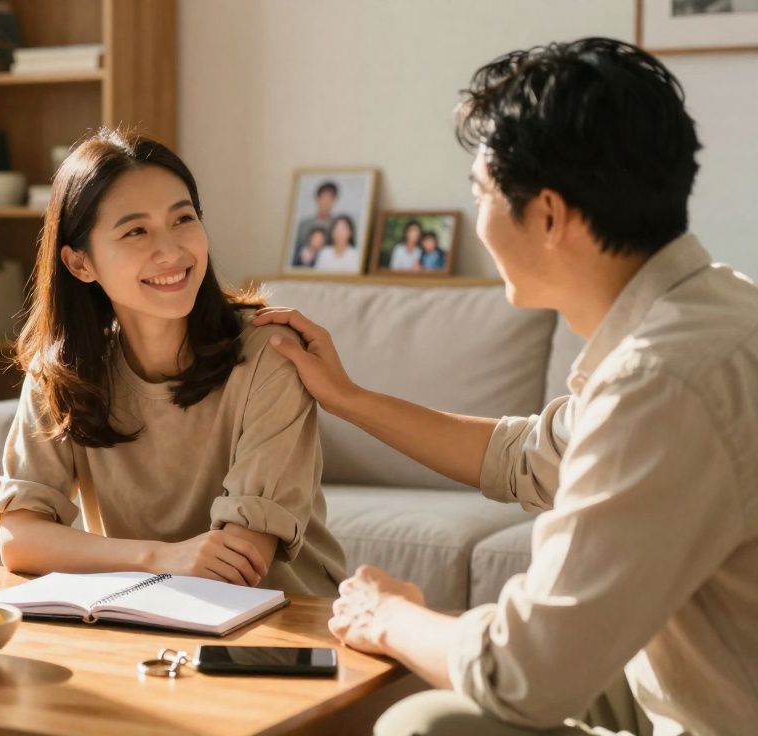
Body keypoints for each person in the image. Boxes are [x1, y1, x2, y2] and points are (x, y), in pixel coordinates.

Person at [255, 38, 757, 735]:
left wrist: (390, 617)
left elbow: (521, 678)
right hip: (691, 685)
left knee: (423, 724)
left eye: (480, 192)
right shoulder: (716, 310)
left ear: (549, 216)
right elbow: (522, 456)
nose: (478, 216)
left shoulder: (658, 382)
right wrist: (350, 399)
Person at [0, 129, 346, 597]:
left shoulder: (271, 353)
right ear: (79, 264)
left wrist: (125, 561)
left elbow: (242, 558)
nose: (172, 251)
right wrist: (159, 557)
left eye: (183, 219)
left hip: (282, 620)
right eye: (136, 231)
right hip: (143, 614)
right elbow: (19, 539)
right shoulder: (65, 369)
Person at [294, 180, 339, 252]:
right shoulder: (304, 225)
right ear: (317, 199)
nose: (325, 202)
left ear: (334, 201)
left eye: (329, 199)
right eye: (323, 198)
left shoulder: (337, 227)